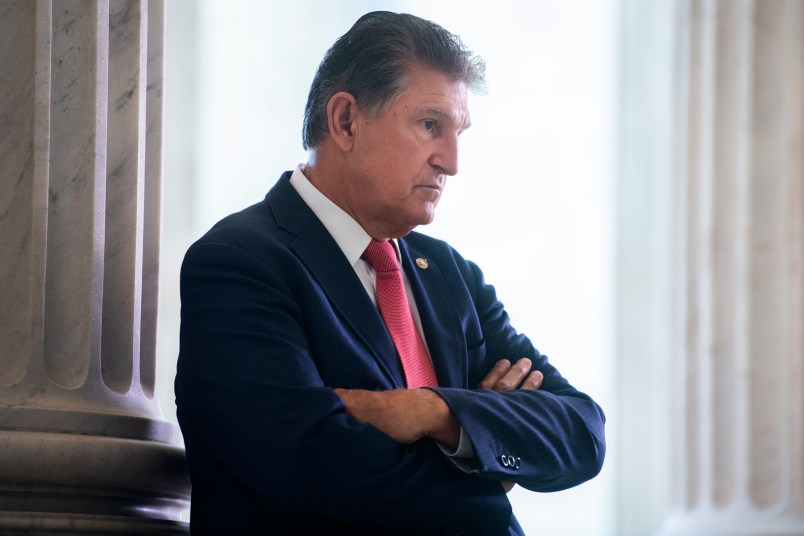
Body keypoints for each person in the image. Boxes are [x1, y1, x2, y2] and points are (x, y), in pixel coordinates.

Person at [175, 11, 605, 535]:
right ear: (346, 122)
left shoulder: (450, 274)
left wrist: (435, 413)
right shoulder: (239, 262)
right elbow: (310, 467)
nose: (451, 162)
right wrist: (484, 462)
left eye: (458, 132)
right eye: (430, 125)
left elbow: (584, 431)